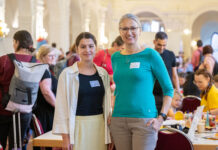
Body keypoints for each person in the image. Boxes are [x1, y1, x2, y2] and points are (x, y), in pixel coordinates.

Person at [110, 14, 174, 150]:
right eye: (124, 29)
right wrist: (111, 111)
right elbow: (119, 87)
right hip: (118, 120)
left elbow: (168, 89)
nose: (129, 32)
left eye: (133, 28)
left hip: (144, 120)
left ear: (140, 30)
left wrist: (162, 117)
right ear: (120, 31)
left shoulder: (150, 55)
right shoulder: (115, 57)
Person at [52, 32, 111, 150]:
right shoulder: (67, 74)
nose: (87, 50)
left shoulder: (103, 74)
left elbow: (107, 105)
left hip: (100, 127)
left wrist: (109, 135)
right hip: (77, 126)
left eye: (91, 46)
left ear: (96, 48)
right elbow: (61, 108)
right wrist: (65, 137)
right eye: (83, 47)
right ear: (77, 49)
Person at [0, 30, 49, 150]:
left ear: (16, 42)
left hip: (3, 109)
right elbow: (45, 88)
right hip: (25, 110)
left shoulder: (3, 60)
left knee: (1, 143)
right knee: (18, 145)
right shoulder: (37, 63)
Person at [153, 31, 180, 113]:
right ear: (154, 42)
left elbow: (174, 75)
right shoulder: (150, 54)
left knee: (168, 117)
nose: (161, 48)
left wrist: (178, 92)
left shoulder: (171, 54)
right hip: (154, 93)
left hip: (167, 93)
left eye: (164, 45)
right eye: (159, 45)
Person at [34, 45, 57, 134]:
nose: (53, 58)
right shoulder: (44, 70)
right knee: (46, 143)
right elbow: (46, 92)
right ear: (42, 57)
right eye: (50, 56)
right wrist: (58, 107)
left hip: (44, 112)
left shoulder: (43, 69)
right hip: (45, 113)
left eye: (54, 55)